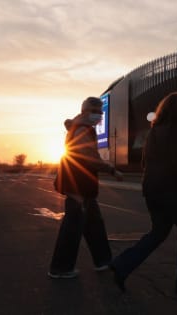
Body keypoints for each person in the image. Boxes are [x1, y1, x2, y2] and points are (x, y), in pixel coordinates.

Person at [110, 92, 177, 294]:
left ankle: (122, 265)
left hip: (154, 192)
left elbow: (145, 163)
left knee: (157, 234)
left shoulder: (154, 133)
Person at [49, 96, 123, 279]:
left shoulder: (83, 127)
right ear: (85, 112)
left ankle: (103, 260)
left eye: (100, 112)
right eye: (95, 111)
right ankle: (61, 268)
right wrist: (112, 170)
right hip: (78, 185)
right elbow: (89, 157)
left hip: (82, 184)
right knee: (73, 226)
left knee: (93, 224)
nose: (98, 115)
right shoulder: (82, 129)